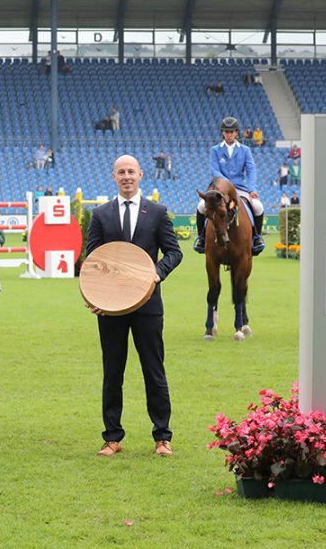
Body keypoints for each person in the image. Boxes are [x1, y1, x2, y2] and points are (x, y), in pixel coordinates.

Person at [85, 154, 182, 458]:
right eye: (121, 172)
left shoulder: (157, 212)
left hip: (148, 305)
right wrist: (94, 297)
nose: (126, 176)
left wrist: (158, 273)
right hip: (111, 308)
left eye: (131, 171)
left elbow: (174, 252)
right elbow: (92, 261)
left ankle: (162, 437)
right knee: (112, 372)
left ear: (141, 175)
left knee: (153, 370)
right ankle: (112, 437)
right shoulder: (100, 215)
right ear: (113, 176)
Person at [194, 117, 265, 256]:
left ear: (237, 133)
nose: (229, 134)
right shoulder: (215, 150)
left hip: (240, 188)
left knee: (258, 206)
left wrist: (252, 189)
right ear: (223, 133)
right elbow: (214, 170)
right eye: (226, 132)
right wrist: (226, 185)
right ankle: (202, 239)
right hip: (220, 189)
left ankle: (256, 238)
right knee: (201, 207)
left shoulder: (245, 150)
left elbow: (251, 170)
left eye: (232, 132)